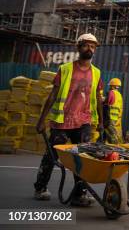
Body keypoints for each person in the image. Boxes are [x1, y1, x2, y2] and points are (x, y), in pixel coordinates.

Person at [34, 33, 104, 206]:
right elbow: (53, 95)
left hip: (84, 122)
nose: (90, 49)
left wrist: (101, 122)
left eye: (93, 46)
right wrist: (41, 120)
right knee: (51, 156)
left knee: (83, 158)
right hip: (62, 122)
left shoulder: (96, 72)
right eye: (86, 45)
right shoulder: (65, 69)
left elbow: (98, 97)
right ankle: (40, 187)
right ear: (78, 47)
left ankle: (78, 194)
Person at [103, 78, 123, 144]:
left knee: (112, 136)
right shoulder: (119, 95)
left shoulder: (111, 93)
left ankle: (116, 149)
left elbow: (106, 102)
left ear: (112, 86)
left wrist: (102, 99)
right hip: (115, 118)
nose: (109, 87)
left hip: (109, 118)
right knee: (109, 134)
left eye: (110, 86)